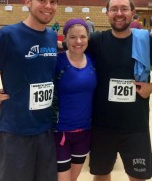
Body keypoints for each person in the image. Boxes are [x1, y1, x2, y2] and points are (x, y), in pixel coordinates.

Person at [0, 0, 59, 181]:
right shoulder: (7, 35)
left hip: (46, 130)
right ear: (28, 1)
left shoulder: (52, 36)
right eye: (42, 0)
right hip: (15, 131)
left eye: (53, 1)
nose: (48, 6)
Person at [87, 0, 152, 181]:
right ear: (107, 13)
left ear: (132, 12)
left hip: (135, 125)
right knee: (101, 174)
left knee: (138, 177)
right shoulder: (97, 41)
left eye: (124, 9)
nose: (119, 13)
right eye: (114, 9)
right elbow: (71, 51)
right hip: (102, 125)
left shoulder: (146, 41)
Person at [54, 18, 97, 181]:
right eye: (72, 37)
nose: (78, 41)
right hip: (61, 132)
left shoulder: (93, 61)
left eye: (82, 37)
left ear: (88, 38)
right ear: (65, 39)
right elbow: (35, 80)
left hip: (85, 132)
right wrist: (6, 92)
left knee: (73, 178)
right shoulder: (57, 62)